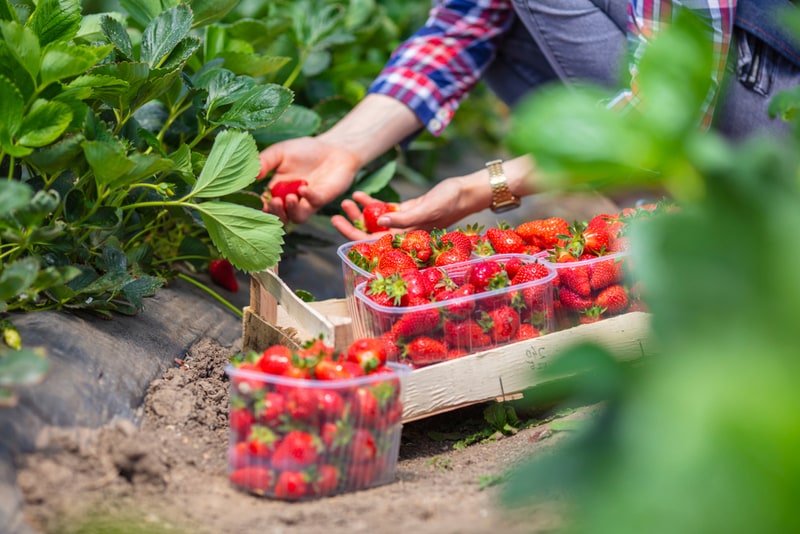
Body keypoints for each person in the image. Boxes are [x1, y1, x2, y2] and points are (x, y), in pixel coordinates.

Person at [257, 0, 800, 240]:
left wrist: (483, 187)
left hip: (778, 131)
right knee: (504, 22)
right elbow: (462, 27)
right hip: (710, 116)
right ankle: (666, 218)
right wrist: (342, 146)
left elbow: (666, 105)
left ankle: (729, 222)